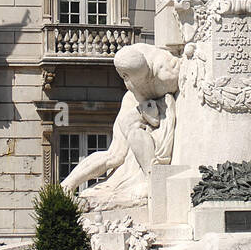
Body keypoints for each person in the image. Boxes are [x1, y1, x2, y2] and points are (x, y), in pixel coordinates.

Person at [62, 44, 180, 207]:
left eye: (129, 79)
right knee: (115, 154)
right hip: (134, 101)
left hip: (159, 105)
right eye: (124, 78)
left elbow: (169, 102)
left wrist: (153, 112)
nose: (127, 82)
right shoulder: (129, 57)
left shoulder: (166, 72)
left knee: (132, 133)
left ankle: (152, 178)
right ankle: (68, 184)